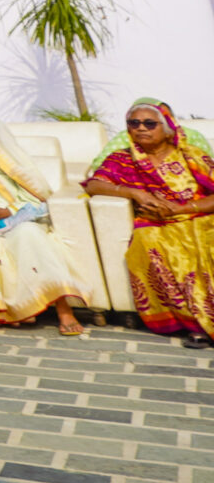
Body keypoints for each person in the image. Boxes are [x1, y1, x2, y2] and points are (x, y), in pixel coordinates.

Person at [0, 110, 90, 335]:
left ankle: (64, 310)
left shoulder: (9, 157)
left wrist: (6, 211)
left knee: (29, 233)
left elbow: (36, 196)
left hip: (16, 214)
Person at [82, 97, 214, 348]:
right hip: (157, 224)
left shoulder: (192, 155)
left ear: (167, 129)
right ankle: (195, 324)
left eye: (149, 123)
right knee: (149, 243)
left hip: (201, 216)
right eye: (134, 123)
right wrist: (134, 193)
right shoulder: (122, 159)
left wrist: (183, 208)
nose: (141, 128)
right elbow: (94, 184)